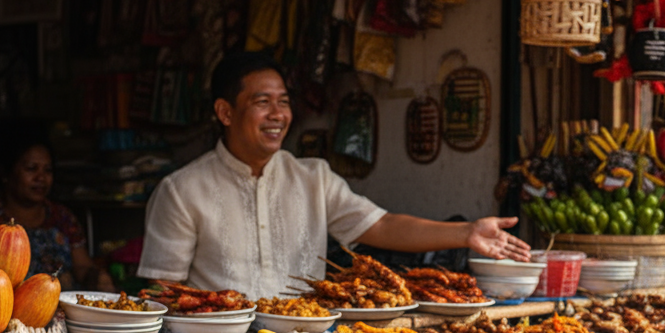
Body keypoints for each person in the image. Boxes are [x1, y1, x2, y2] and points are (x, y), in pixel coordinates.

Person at [137, 51, 530, 297]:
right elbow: (160, 289)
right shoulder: (182, 190)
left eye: (284, 103)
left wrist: (465, 233)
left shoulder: (313, 178)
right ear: (225, 113)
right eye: (262, 102)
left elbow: (384, 225)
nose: (278, 115)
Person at [0, 139, 112, 290]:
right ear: (6, 173)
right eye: (31, 168)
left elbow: (82, 266)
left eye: (47, 170)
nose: (41, 178)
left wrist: (96, 277)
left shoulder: (62, 217)